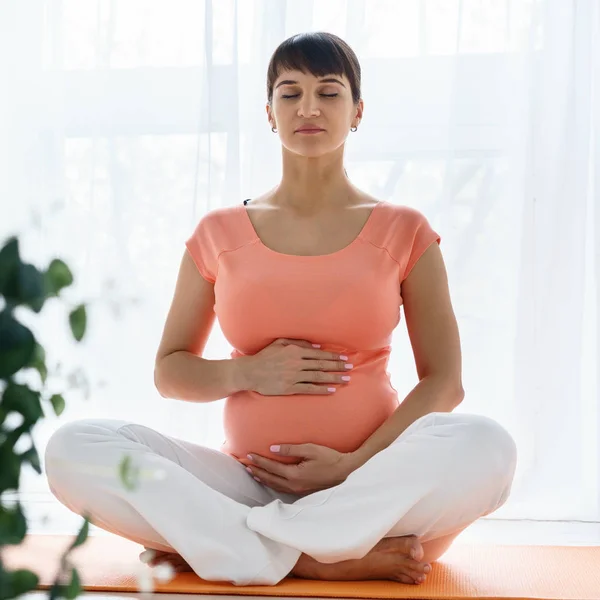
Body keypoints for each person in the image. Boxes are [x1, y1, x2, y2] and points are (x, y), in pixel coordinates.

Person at [44, 31, 517, 587]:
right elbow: (170, 373)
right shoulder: (217, 232)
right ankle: (314, 557)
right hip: (242, 484)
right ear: (269, 113)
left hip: (370, 491)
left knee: (488, 446)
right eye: (289, 93)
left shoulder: (404, 229)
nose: (308, 107)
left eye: (329, 92)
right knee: (73, 449)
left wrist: (353, 464)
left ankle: (245, 545)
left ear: (358, 111)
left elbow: (445, 383)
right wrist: (249, 372)